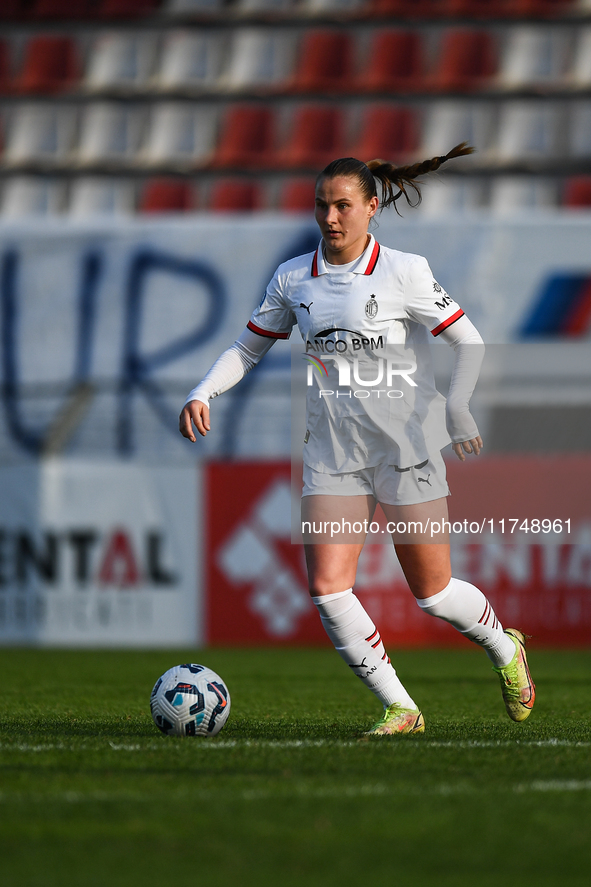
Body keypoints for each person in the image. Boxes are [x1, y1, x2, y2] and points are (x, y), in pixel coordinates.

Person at [179, 144, 535, 735]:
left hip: (405, 449)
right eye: (322, 206)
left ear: (372, 207)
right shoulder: (294, 278)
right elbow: (247, 348)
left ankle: (505, 648)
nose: (330, 218)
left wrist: (458, 406)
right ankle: (402, 707)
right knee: (327, 587)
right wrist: (202, 391)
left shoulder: (405, 271)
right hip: (332, 456)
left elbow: (467, 341)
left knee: (434, 594)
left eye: (343, 205)